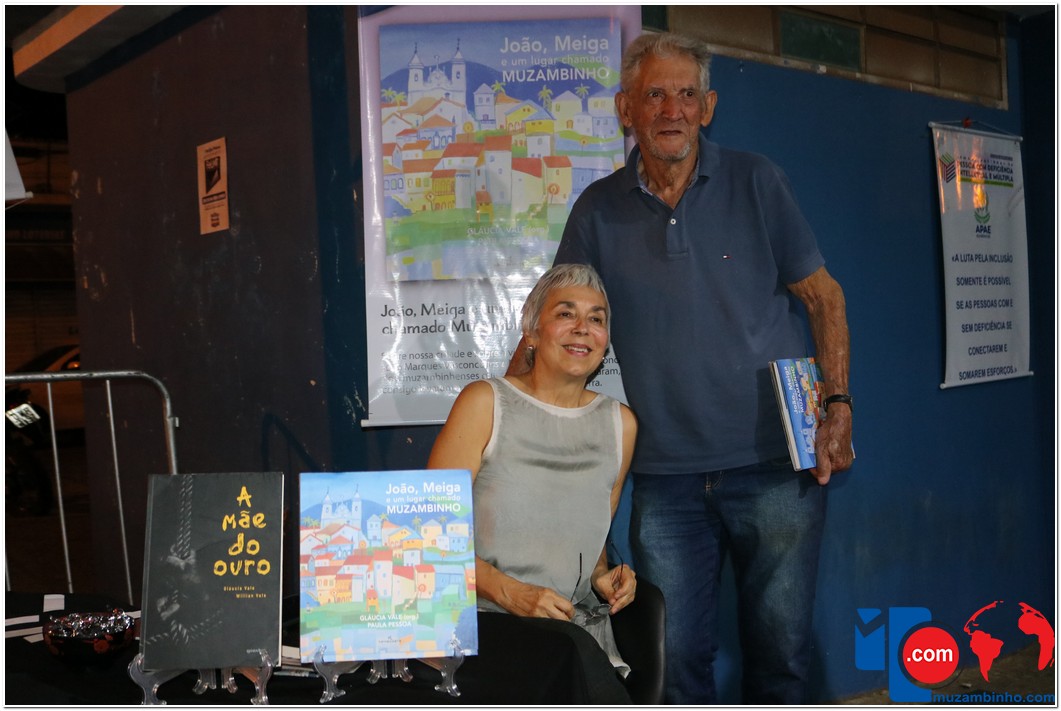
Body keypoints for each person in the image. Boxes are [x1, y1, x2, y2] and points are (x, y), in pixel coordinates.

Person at [521, 32, 855, 704]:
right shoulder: (596, 210)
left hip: (776, 467)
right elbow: (556, 320)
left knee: (781, 655)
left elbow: (824, 297)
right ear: (626, 109)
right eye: (654, 95)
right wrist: (509, 416)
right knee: (672, 665)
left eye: (685, 94)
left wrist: (838, 404)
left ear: (708, 106)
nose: (671, 109)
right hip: (664, 480)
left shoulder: (757, 180)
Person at [428, 263, 639, 704]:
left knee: (570, 653)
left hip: (569, 628)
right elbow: (426, 538)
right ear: (532, 331)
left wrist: (602, 575)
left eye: (596, 318)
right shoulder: (485, 402)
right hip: (480, 623)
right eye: (565, 314)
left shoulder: (620, 424)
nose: (582, 328)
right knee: (567, 657)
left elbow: (591, 538)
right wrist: (512, 594)